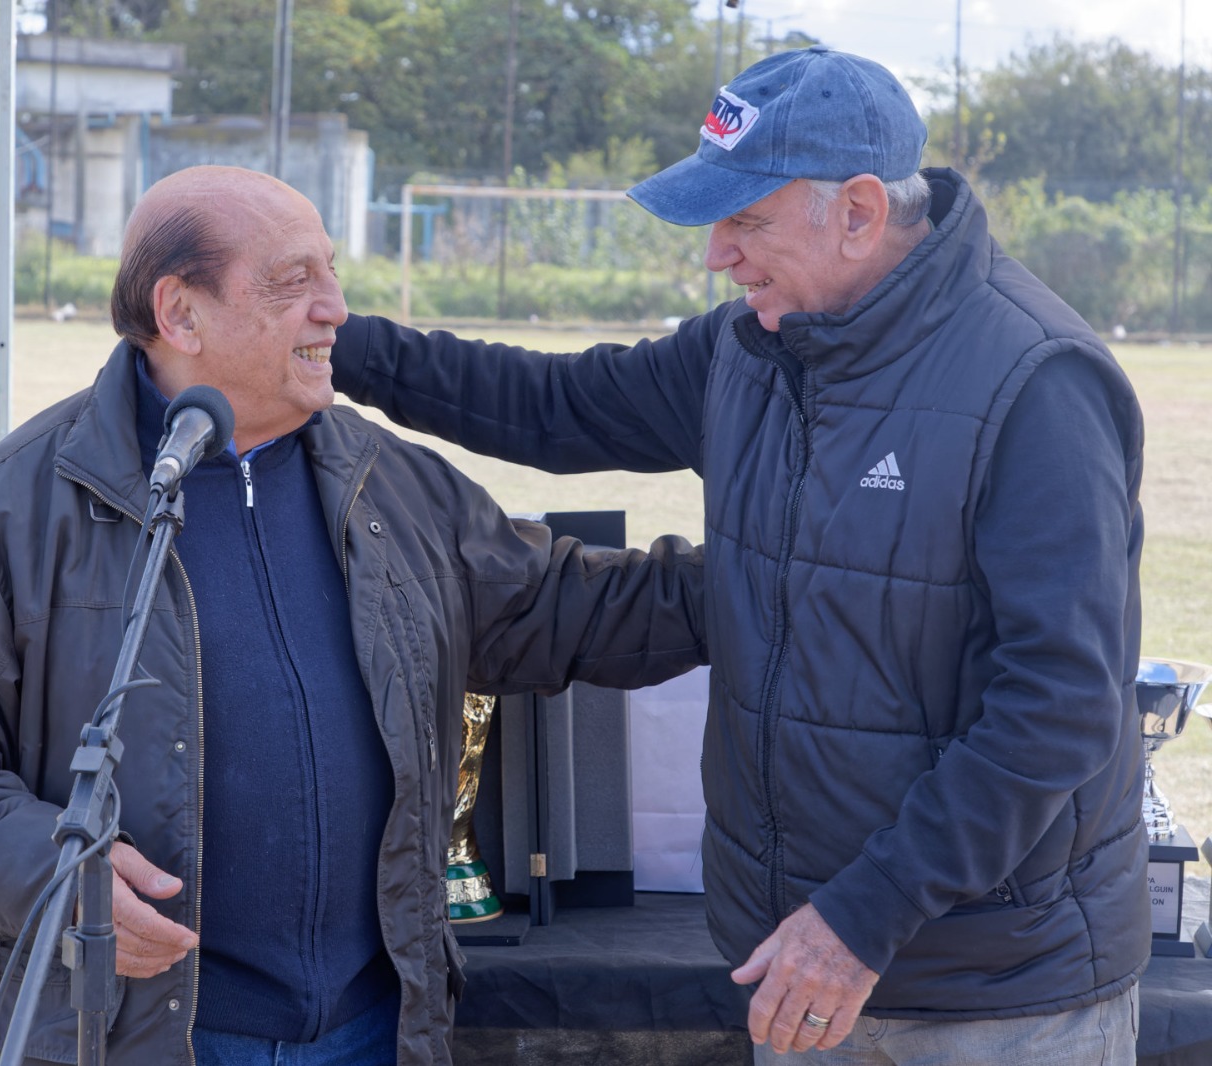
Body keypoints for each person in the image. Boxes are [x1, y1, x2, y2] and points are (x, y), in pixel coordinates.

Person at [327, 46, 1147, 1066]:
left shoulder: (1035, 383)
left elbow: (1057, 708)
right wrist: (335, 346)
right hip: (800, 970)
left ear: (856, 211)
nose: (720, 253)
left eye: (746, 219)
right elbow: (550, 404)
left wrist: (857, 919)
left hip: (991, 1000)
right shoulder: (749, 351)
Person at [0, 165, 708, 1066]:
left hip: (377, 1031)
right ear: (181, 314)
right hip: (133, 1036)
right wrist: (45, 871)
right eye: (294, 282)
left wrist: (789, 574)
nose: (335, 308)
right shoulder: (3, 513)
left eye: (331, 273)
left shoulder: (391, 482)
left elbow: (573, 607)